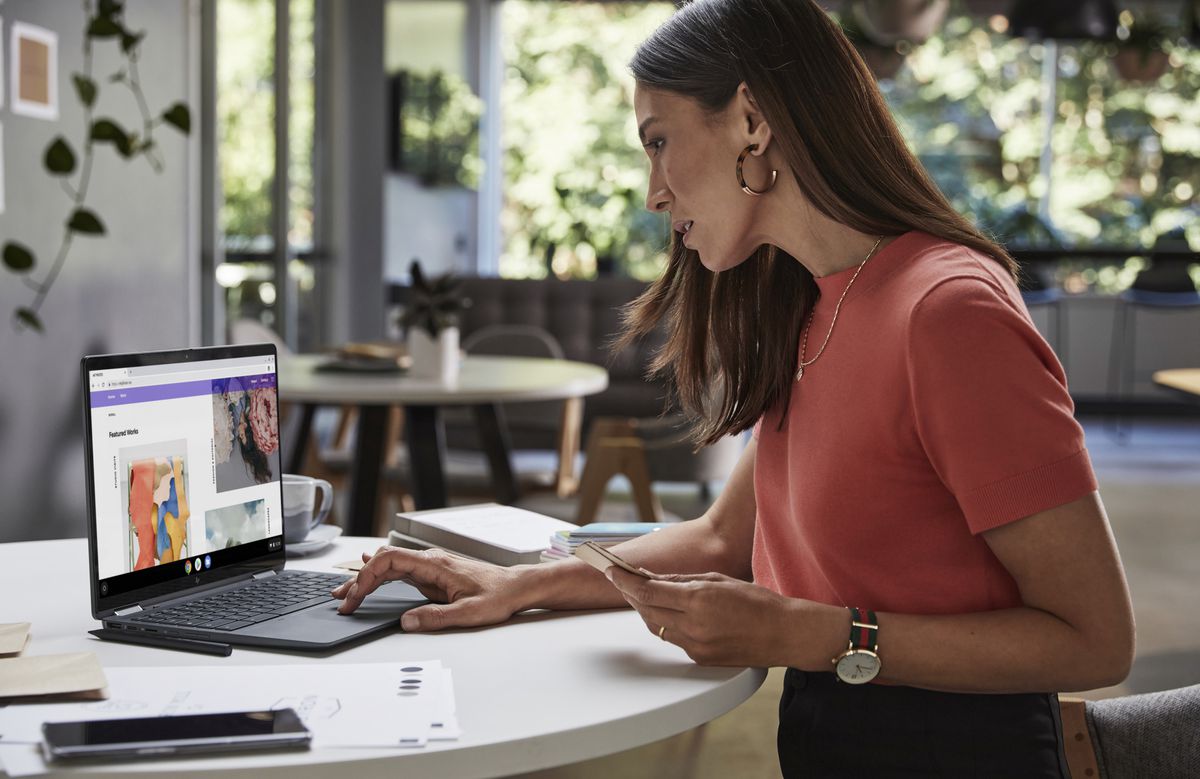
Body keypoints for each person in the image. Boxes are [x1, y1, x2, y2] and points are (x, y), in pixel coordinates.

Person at [333, 1, 1135, 775]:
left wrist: (813, 634)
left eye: (658, 141)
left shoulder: (946, 313)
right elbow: (725, 539)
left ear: (751, 119)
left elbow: (1095, 637)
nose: (654, 191)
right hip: (829, 729)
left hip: (953, 749)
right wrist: (522, 584)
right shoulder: (811, 300)